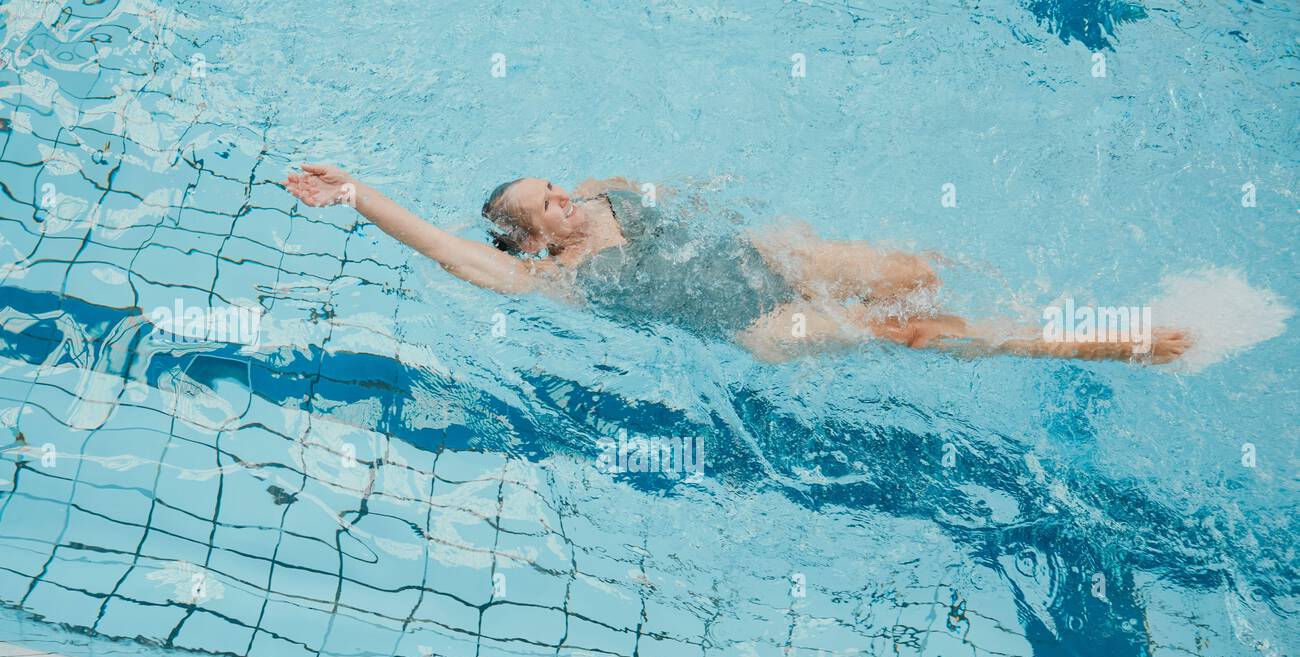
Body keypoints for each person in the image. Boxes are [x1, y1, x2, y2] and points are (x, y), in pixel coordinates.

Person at [283, 165, 1189, 364]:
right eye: (543, 206)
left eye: (553, 184)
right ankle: (1104, 340)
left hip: (766, 259)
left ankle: (1045, 296)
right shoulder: (546, 277)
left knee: (916, 269)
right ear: (529, 239)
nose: (562, 198)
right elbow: (445, 248)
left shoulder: (605, 199)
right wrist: (358, 194)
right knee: (912, 331)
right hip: (760, 326)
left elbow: (690, 194)